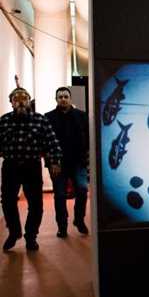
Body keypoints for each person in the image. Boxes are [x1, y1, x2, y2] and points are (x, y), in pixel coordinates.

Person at [0, 87, 62, 252]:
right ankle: (14, 232)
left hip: (32, 166)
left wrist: (55, 162)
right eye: (16, 99)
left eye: (24, 98)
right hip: (10, 167)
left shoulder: (40, 120)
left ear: (29, 101)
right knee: (7, 201)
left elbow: (52, 142)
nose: (20, 101)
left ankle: (31, 236)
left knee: (36, 204)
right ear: (11, 103)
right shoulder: (4, 120)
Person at [45, 87, 89, 238]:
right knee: (60, 195)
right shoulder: (48, 117)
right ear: (56, 99)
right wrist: (52, 162)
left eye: (65, 96)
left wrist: (88, 158)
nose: (63, 99)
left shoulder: (82, 116)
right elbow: (46, 143)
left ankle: (79, 219)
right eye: (60, 97)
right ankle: (62, 226)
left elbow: (89, 138)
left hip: (78, 162)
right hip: (58, 164)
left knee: (82, 191)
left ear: (70, 98)